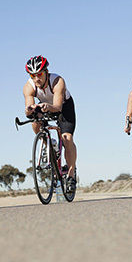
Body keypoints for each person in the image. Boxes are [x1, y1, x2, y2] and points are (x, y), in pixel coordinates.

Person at [23, 55, 78, 193]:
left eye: (39, 74)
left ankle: (71, 175)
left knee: (67, 138)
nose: (37, 79)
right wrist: (30, 110)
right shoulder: (28, 87)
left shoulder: (57, 81)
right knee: (35, 122)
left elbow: (58, 107)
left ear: (46, 72)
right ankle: (49, 144)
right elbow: (29, 108)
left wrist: (48, 106)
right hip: (44, 106)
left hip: (64, 107)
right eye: (33, 75)